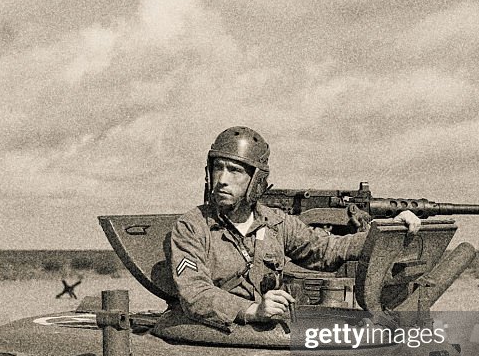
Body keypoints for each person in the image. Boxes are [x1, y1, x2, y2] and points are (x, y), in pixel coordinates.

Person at [168, 126, 421, 329]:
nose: (222, 180)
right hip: (218, 335)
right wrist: (253, 310)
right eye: (218, 169)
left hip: (267, 336)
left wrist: (386, 231)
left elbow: (327, 250)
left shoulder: (277, 223)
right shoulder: (192, 227)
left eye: (234, 171)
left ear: (256, 182)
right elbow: (195, 293)